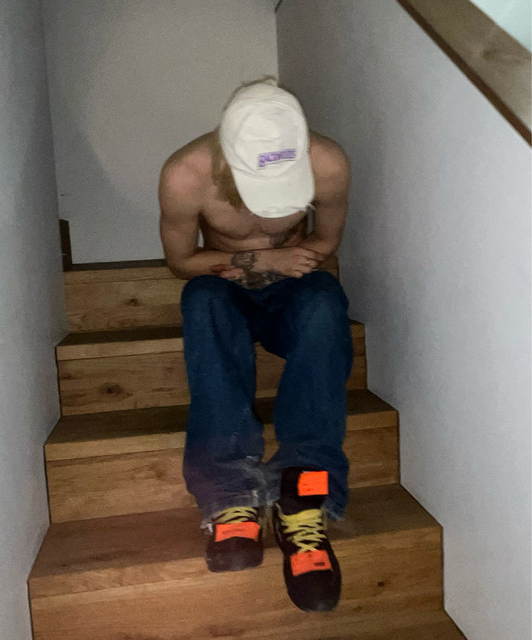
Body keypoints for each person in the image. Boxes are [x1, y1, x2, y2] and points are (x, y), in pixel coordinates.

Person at [159, 77, 353, 612]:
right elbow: (180, 261)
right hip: (227, 289)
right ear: (226, 152)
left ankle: (303, 492)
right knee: (201, 298)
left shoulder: (327, 162)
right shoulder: (186, 175)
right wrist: (266, 260)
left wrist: (293, 265)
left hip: (294, 289)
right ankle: (230, 495)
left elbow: (326, 239)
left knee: (324, 301)